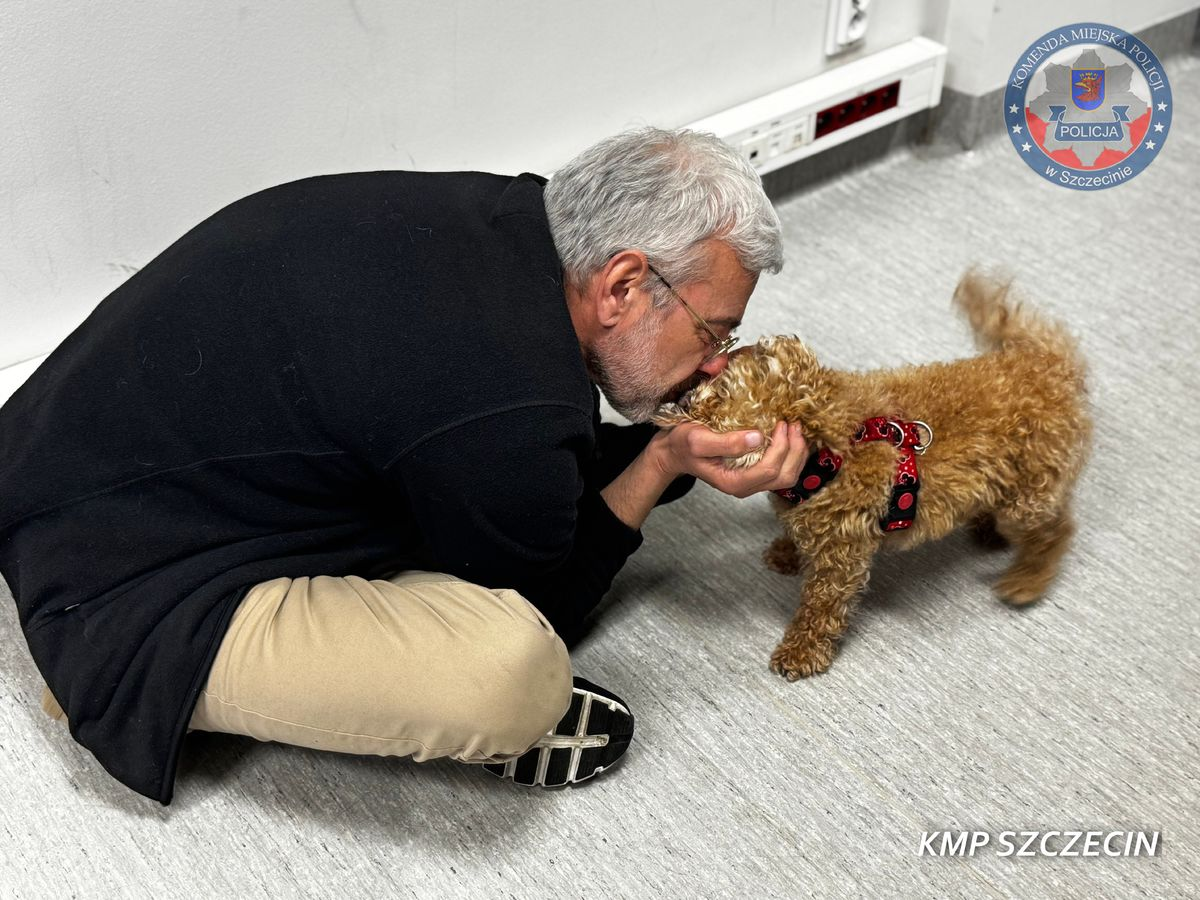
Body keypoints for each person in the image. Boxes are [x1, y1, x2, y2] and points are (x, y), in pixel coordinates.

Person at [0, 127, 807, 804]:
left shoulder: (511, 217)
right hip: (111, 584)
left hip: (58, 446)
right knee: (514, 675)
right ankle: (107, 673)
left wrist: (668, 450)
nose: (714, 366)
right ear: (624, 285)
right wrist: (661, 460)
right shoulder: (509, 401)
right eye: (713, 332)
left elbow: (518, 460)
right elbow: (543, 594)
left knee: (439, 487)